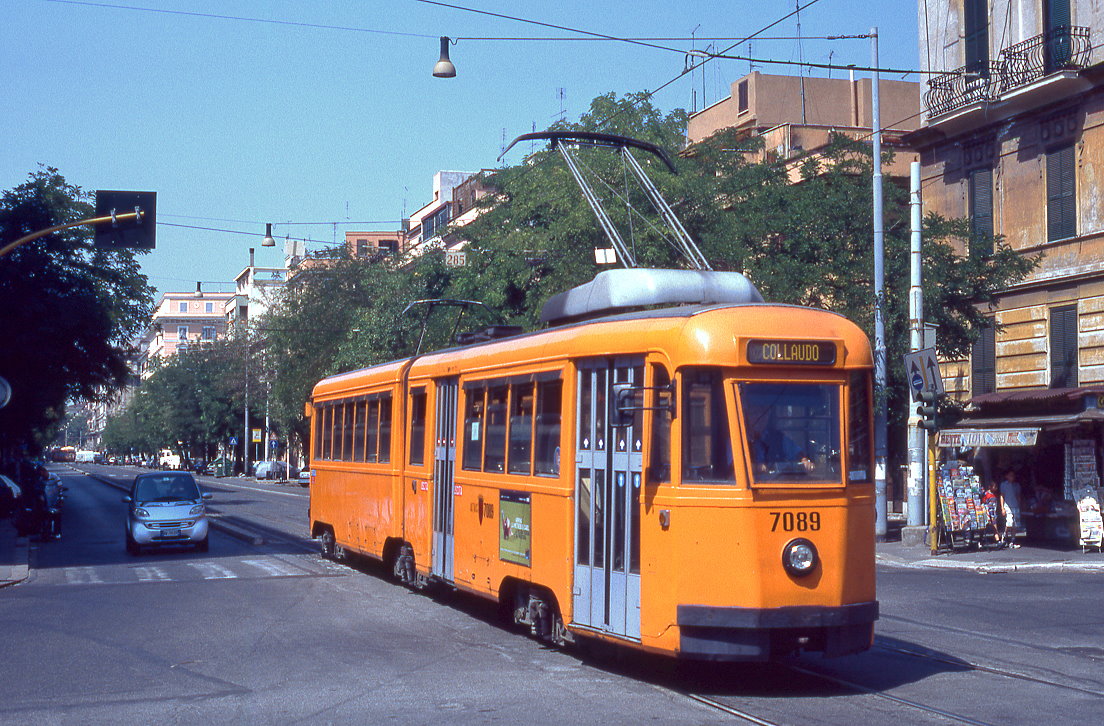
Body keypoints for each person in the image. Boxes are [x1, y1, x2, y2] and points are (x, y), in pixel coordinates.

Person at [1000, 469, 1023, 549]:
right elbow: (1002, 496)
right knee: (1009, 523)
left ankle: (1013, 540)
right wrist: (1002, 508)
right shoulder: (1003, 485)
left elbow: (1018, 496)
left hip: (1015, 506)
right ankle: (1004, 536)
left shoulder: (1017, 485)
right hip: (1007, 506)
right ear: (1007, 476)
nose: (1012, 477)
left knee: (1015, 524)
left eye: (1013, 476)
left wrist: (1019, 505)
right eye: (1010, 475)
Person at [982, 479, 1003, 546]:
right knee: (985, 527)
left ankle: (998, 541)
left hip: (993, 513)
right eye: (994, 487)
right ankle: (981, 540)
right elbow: (984, 503)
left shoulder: (995, 494)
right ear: (990, 487)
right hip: (988, 513)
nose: (996, 488)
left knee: (995, 527)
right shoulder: (986, 494)